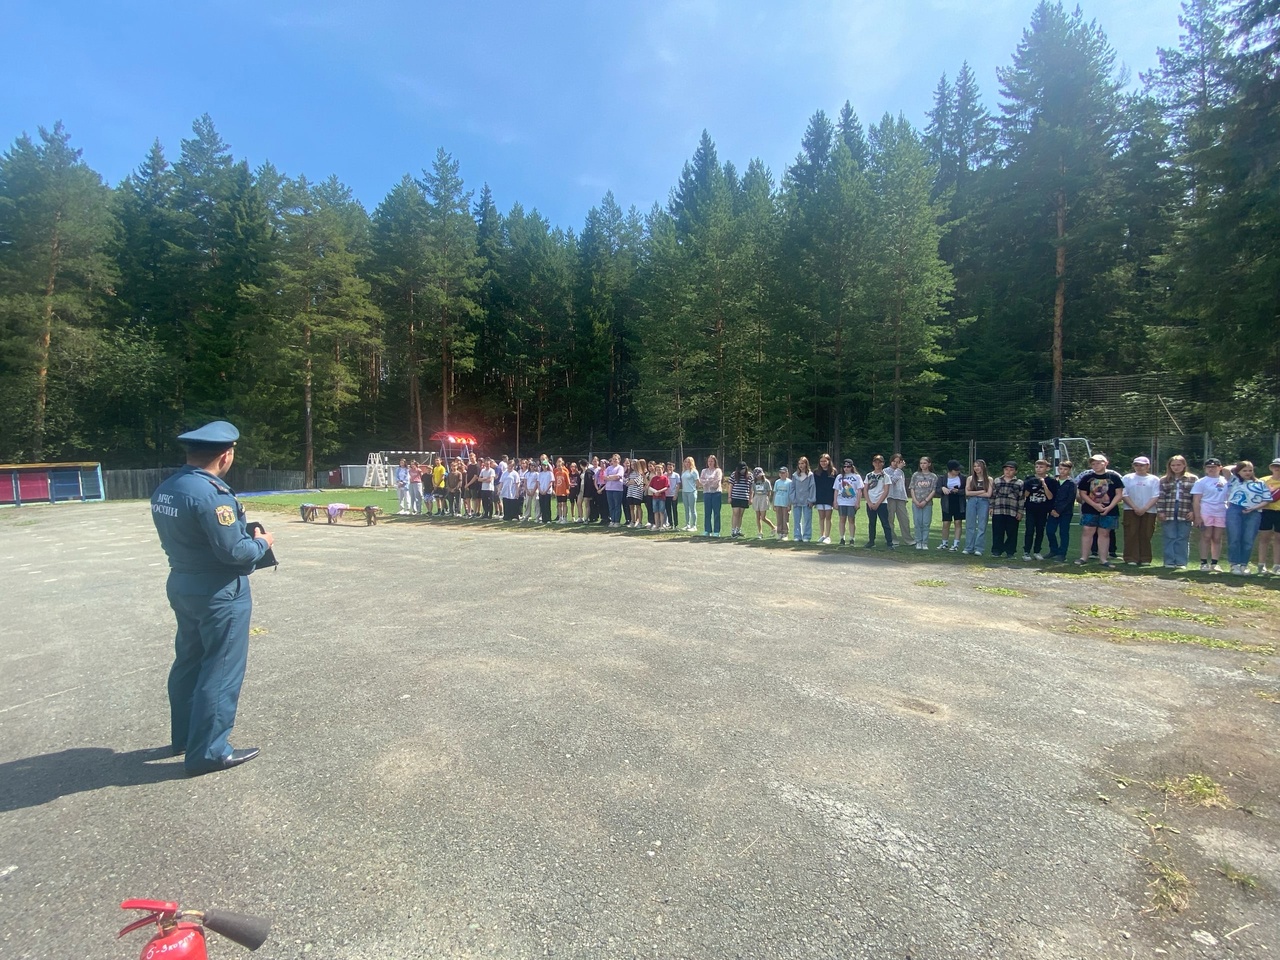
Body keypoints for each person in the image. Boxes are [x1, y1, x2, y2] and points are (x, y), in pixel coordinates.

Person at [150, 420, 273, 776]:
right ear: (225, 455)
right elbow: (234, 552)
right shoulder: (211, 494)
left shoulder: (169, 488)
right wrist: (263, 542)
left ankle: (187, 737)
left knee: (189, 660)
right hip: (219, 591)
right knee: (220, 669)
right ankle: (210, 751)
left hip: (183, 582)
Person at [1076, 453, 1124, 568]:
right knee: (1087, 531)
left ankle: (1103, 559)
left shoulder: (1114, 477)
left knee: (1104, 533)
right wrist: (1094, 505)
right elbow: (1082, 493)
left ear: (1106, 463)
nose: (1096, 465)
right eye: (1093, 463)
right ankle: (1084, 557)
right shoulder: (1086, 478)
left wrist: (1109, 507)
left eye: (1098, 463)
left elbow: (1119, 494)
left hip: (1109, 509)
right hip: (1089, 509)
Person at [1225, 460, 1271, 574]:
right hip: (1235, 510)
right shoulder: (1234, 480)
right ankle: (1234, 564)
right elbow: (1225, 469)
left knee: (1248, 539)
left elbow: (1267, 500)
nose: (1247, 472)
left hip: (1254, 512)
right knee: (1234, 537)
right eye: (1244, 470)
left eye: (1250, 470)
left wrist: (1253, 508)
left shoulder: (1260, 483)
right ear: (1238, 471)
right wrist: (1241, 465)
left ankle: (1244, 564)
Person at [1156, 455, 1196, 569]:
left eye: (1179, 465)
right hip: (1169, 508)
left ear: (1184, 465)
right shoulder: (1164, 479)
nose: (1176, 467)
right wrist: (1161, 511)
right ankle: (1169, 561)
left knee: (1183, 536)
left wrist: (1193, 511)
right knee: (1169, 535)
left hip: (1185, 508)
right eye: (1173, 465)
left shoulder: (1192, 479)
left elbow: (1196, 498)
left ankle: (1181, 562)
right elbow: (1161, 497)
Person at [1121, 456, 1161, 566]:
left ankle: (1145, 558)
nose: (1139, 467)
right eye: (1136, 465)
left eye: (1142, 465)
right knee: (1131, 533)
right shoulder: (1127, 478)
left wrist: (1144, 508)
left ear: (1148, 466)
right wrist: (1135, 507)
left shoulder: (1154, 479)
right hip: (1130, 509)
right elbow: (1123, 494)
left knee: (1146, 533)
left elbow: (1156, 495)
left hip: (1149, 510)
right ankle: (1131, 558)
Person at [1192, 457, 1230, 572]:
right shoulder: (1201, 481)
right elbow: (1196, 500)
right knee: (1206, 536)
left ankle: (1215, 563)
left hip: (1221, 511)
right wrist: (1197, 516)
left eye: (1214, 467)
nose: (1211, 469)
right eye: (1208, 467)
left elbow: (1232, 469)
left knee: (1217, 538)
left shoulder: (1226, 480)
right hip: (1206, 510)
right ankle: (1203, 562)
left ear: (1220, 468)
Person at [1021, 459, 1055, 560]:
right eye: (1036, 467)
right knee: (1029, 530)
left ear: (1047, 468)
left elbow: (1050, 497)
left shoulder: (1051, 481)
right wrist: (1030, 486)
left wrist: (1043, 484)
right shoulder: (1029, 479)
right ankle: (1026, 552)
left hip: (1043, 509)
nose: (1038, 469)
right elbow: (1025, 495)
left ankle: (1037, 551)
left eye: (1041, 467)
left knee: (1040, 530)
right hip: (1031, 508)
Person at [989, 461, 1024, 559]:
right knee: (997, 531)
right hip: (998, 509)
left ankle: (1010, 552)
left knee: (1012, 533)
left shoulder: (1019, 483)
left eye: (1011, 470)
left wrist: (1020, 512)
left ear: (1015, 471)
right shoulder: (997, 481)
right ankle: (996, 551)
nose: (1008, 472)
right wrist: (991, 507)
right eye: (1006, 469)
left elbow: (1021, 498)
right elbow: (992, 495)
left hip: (1012, 510)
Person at [1046, 460, 1075, 562]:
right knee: (1049, 531)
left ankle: (1062, 554)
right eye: (1061, 468)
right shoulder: (1054, 481)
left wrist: (1059, 511)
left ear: (1069, 470)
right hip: (1052, 511)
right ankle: (1053, 550)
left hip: (1065, 512)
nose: (1062, 471)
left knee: (1063, 533)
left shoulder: (1071, 483)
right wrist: (1051, 510)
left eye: (1065, 469)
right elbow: (1050, 496)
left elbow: (1070, 499)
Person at [963, 460, 992, 555]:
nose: (976, 468)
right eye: (974, 466)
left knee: (981, 525)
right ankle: (968, 547)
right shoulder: (970, 479)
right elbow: (967, 493)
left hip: (983, 502)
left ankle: (979, 548)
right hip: (971, 501)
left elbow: (988, 494)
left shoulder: (989, 479)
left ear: (983, 467)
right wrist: (981, 491)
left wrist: (975, 492)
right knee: (970, 525)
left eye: (978, 466)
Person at [909, 457, 938, 550]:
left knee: (925, 523)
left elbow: (933, 490)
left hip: (927, 503)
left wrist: (925, 501)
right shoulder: (916, 475)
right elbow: (912, 488)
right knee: (917, 523)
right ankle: (918, 541)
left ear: (929, 464)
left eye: (925, 463)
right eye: (921, 463)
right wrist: (915, 500)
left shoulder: (933, 476)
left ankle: (924, 542)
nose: (922, 465)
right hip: (916, 502)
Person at [1258, 458, 1280, 576]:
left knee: (1278, 539)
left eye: (1279, 466)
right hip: (1266, 511)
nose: (1277, 468)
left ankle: (1277, 566)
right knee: (1264, 538)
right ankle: (1262, 565)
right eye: (1275, 466)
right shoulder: (1263, 480)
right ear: (1271, 468)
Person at [937, 460, 965, 551]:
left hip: (958, 502)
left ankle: (956, 544)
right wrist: (943, 488)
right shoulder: (942, 478)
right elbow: (937, 490)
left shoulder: (963, 478)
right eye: (956, 470)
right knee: (946, 523)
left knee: (958, 522)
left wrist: (958, 491)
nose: (958, 471)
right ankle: (944, 543)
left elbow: (966, 490)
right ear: (950, 470)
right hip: (947, 502)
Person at [836, 458, 863, 546]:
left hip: (852, 501)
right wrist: (835, 501)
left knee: (851, 520)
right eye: (844, 466)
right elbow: (836, 490)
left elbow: (859, 490)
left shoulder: (856, 476)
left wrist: (858, 502)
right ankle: (842, 538)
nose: (846, 468)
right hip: (841, 501)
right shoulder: (839, 477)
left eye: (848, 466)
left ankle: (851, 538)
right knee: (842, 519)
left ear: (852, 467)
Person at [886, 454, 912, 545]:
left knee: (905, 519)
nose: (896, 463)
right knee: (890, 519)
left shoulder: (900, 472)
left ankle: (908, 540)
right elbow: (892, 481)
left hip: (900, 498)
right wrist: (899, 469)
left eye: (898, 462)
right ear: (891, 461)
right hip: (890, 497)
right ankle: (893, 539)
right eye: (894, 461)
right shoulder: (886, 471)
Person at [814, 454, 837, 545]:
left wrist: (834, 499)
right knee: (821, 517)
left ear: (829, 461)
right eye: (821, 461)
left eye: (825, 461)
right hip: (819, 497)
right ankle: (822, 535)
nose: (823, 463)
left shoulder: (833, 472)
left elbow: (836, 486)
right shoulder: (816, 472)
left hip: (829, 497)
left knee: (828, 517)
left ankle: (828, 536)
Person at [792, 457, 815, 543]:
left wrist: (811, 500)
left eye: (803, 463)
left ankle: (807, 536)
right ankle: (797, 536)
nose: (801, 465)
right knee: (797, 519)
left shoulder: (810, 475)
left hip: (807, 500)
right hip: (797, 501)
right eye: (799, 463)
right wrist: (793, 499)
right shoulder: (795, 475)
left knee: (807, 519)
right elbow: (792, 488)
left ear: (806, 464)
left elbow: (812, 487)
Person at [700, 455, 723, 536]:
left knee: (716, 512)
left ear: (715, 462)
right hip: (707, 493)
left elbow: (717, 481)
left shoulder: (718, 470)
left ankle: (716, 531)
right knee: (707, 512)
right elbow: (701, 481)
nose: (710, 463)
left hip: (716, 493)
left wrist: (708, 482)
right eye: (709, 461)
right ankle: (707, 530)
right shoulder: (704, 471)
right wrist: (709, 481)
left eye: (712, 461)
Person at [728, 462, 752, 538]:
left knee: (741, 514)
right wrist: (729, 497)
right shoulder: (734, 474)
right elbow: (730, 486)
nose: (742, 471)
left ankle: (738, 530)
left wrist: (751, 498)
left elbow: (751, 488)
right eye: (741, 469)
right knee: (735, 513)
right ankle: (733, 530)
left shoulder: (750, 476)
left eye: (743, 469)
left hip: (744, 497)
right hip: (735, 496)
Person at [750, 467, 773, 540]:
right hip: (756, 498)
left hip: (763, 498)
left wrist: (767, 499)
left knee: (763, 517)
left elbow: (769, 492)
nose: (757, 476)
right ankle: (760, 532)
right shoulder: (754, 482)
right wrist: (751, 498)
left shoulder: (766, 482)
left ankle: (773, 527)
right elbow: (752, 491)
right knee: (758, 517)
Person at [603, 454, 626, 526]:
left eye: (616, 459)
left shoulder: (620, 468)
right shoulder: (608, 468)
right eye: (613, 459)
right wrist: (612, 477)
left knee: (617, 505)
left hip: (617, 489)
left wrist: (610, 477)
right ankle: (612, 520)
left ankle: (617, 521)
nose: (614, 460)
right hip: (609, 489)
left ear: (619, 460)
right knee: (611, 505)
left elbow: (618, 477)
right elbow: (604, 477)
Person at [773, 466, 793, 541]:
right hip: (778, 502)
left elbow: (790, 494)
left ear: (787, 473)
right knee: (779, 518)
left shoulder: (789, 482)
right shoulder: (777, 482)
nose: (782, 474)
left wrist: (789, 504)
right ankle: (779, 532)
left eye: (783, 473)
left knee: (785, 518)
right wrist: (774, 504)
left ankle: (785, 533)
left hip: (785, 503)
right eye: (780, 473)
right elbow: (775, 492)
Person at [648, 464, 670, 530]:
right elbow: (650, 486)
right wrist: (655, 492)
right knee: (655, 511)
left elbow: (667, 487)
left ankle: (662, 525)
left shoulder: (665, 478)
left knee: (661, 511)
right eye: (657, 470)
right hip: (655, 497)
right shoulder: (654, 478)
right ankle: (656, 525)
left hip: (662, 497)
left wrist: (659, 491)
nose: (658, 471)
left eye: (660, 469)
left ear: (662, 469)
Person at [681, 457, 699, 532]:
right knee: (686, 509)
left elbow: (697, 482)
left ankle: (694, 525)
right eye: (686, 462)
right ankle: (687, 524)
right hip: (684, 492)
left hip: (691, 491)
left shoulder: (694, 471)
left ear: (691, 463)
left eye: (688, 462)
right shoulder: (684, 471)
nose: (687, 464)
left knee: (692, 509)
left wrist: (694, 490)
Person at [554, 457, 571, 523]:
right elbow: (555, 483)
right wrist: (555, 490)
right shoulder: (556, 473)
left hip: (564, 491)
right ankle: (560, 517)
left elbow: (568, 483)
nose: (558, 467)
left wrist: (567, 490)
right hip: (558, 491)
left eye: (560, 466)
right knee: (559, 504)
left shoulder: (565, 473)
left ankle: (565, 518)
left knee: (564, 504)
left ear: (562, 466)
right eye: (557, 466)